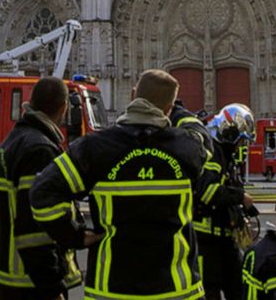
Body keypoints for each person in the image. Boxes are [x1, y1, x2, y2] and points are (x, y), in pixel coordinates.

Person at [30, 69, 207, 300]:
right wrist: (179, 112)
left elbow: (42, 193)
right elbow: (203, 136)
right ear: (168, 109)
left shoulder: (94, 148)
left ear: (133, 95)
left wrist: (74, 236)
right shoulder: (187, 148)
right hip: (176, 290)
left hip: (111, 290)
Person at [0, 76, 89, 300]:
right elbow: (34, 228)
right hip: (32, 284)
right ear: (64, 108)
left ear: (30, 102)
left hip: (10, 280)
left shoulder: (11, 142)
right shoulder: (39, 150)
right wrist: (52, 289)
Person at [194, 103, 256, 300]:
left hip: (225, 238)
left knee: (238, 288)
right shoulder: (214, 154)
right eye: (241, 140)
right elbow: (208, 191)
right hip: (206, 241)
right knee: (209, 292)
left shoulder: (227, 157)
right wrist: (240, 197)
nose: (241, 145)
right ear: (230, 134)